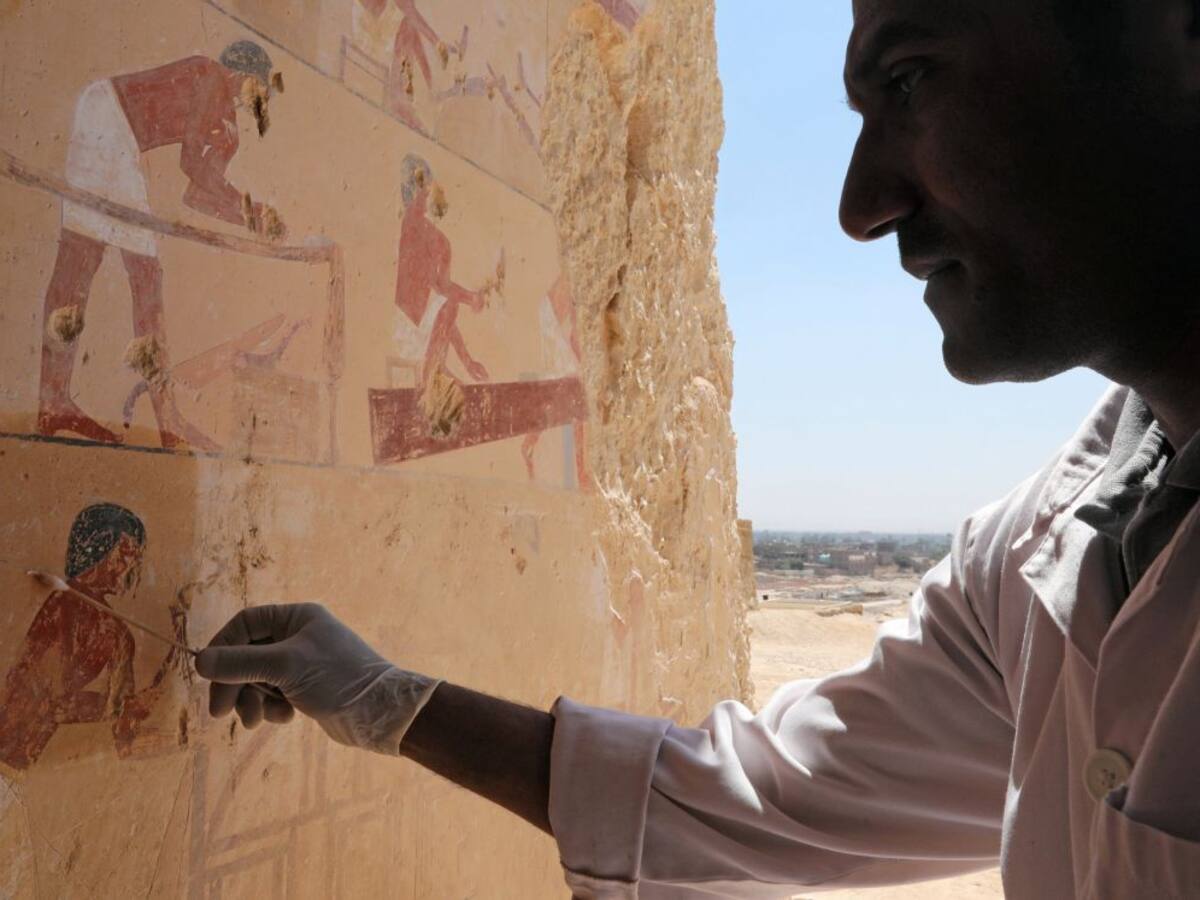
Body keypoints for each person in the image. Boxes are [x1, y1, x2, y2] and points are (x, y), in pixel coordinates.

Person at [195, 1, 1200, 896]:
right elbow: (753, 797)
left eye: (909, 79)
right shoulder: (1034, 564)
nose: (861, 206)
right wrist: (387, 702)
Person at [37, 41, 285, 452]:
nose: (255, 103)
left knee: (87, 264)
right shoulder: (210, 75)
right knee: (138, 275)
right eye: (257, 90)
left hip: (115, 133)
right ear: (242, 75)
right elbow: (190, 161)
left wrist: (253, 217)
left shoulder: (228, 129)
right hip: (108, 118)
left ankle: (55, 402)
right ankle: (165, 420)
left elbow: (197, 195)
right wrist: (249, 208)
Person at [0, 504, 183, 770]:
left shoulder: (120, 635)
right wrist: (116, 707)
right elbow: (46, 698)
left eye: (135, 558)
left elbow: (123, 733)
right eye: (124, 555)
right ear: (98, 550)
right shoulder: (64, 605)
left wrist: (176, 647)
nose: (131, 567)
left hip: (28, 761)